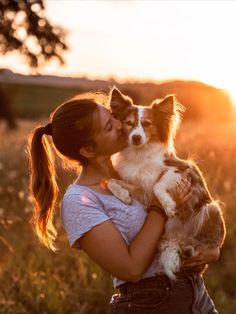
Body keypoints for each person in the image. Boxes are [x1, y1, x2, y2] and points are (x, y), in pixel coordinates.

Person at [28, 91, 220, 313]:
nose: (121, 125)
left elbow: (205, 238)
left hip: (196, 294)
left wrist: (209, 251)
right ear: (88, 150)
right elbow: (131, 269)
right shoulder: (80, 201)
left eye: (114, 118)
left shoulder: (135, 170)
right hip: (150, 303)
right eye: (109, 126)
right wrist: (160, 205)